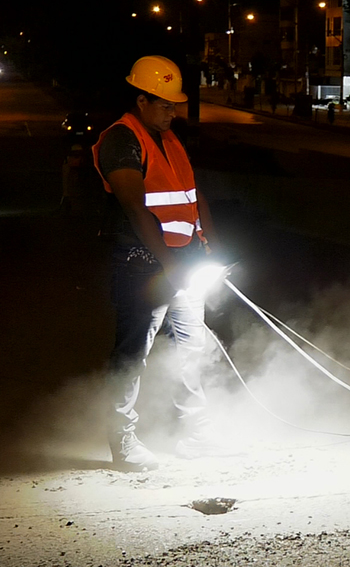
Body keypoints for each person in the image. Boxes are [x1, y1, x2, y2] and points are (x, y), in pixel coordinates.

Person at [92, 55, 231, 472]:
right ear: (141, 100)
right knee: (134, 353)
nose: (173, 111)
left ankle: (195, 433)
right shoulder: (122, 139)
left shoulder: (167, 139)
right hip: (143, 265)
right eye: (165, 104)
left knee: (192, 347)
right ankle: (123, 441)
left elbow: (191, 195)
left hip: (180, 262)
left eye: (174, 104)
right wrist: (169, 262)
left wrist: (210, 243)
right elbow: (135, 207)